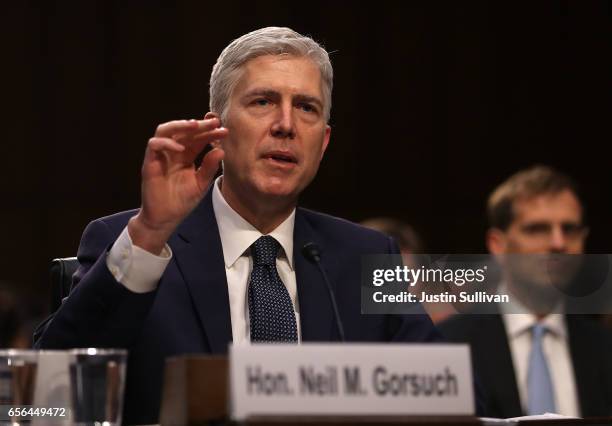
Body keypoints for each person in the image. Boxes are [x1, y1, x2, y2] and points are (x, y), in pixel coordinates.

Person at [34, 27, 440, 424]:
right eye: (263, 102)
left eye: (306, 107)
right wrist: (150, 233)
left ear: (325, 142)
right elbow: (46, 395)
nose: (286, 124)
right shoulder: (136, 240)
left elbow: (443, 394)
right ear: (217, 132)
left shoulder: (366, 256)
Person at [439, 165, 612, 418]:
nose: (558, 243)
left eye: (570, 229)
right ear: (497, 244)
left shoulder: (604, 348)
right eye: (537, 229)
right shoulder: (450, 345)